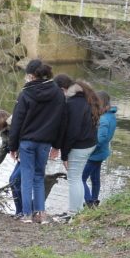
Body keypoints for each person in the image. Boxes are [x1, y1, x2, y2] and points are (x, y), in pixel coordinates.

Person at [7, 60, 66, 224]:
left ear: (32, 76)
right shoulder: (58, 93)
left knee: (26, 177)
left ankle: (26, 215)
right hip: (45, 142)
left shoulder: (26, 92)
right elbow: (62, 121)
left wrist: (12, 146)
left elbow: (17, 121)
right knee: (39, 176)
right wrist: (57, 145)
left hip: (27, 142)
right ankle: (41, 214)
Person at [52, 75, 100, 220]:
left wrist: (64, 155)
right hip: (89, 143)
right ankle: (78, 212)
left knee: (73, 179)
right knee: (77, 178)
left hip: (79, 146)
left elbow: (72, 132)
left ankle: (73, 214)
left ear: (62, 89)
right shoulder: (85, 97)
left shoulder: (73, 103)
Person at [82, 91, 117, 208]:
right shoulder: (111, 116)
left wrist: (87, 149)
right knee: (95, 178)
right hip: (101, 153)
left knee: (80, 179)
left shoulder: (103, 120)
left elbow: (100, 139)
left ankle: (89, 202)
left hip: (94, 154)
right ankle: (95, 200)